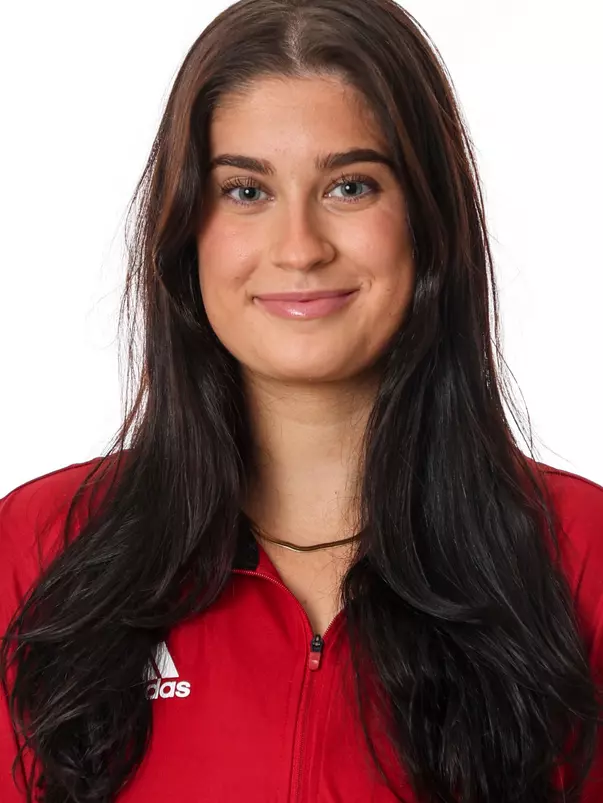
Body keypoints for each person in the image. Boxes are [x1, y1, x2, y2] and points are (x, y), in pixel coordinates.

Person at [2, 0, 603, 801]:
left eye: (350, 186)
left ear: (426, 220)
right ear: (186, 230)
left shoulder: (580, 552)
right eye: (245, 190)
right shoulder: (41, 546)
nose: (299, 247)